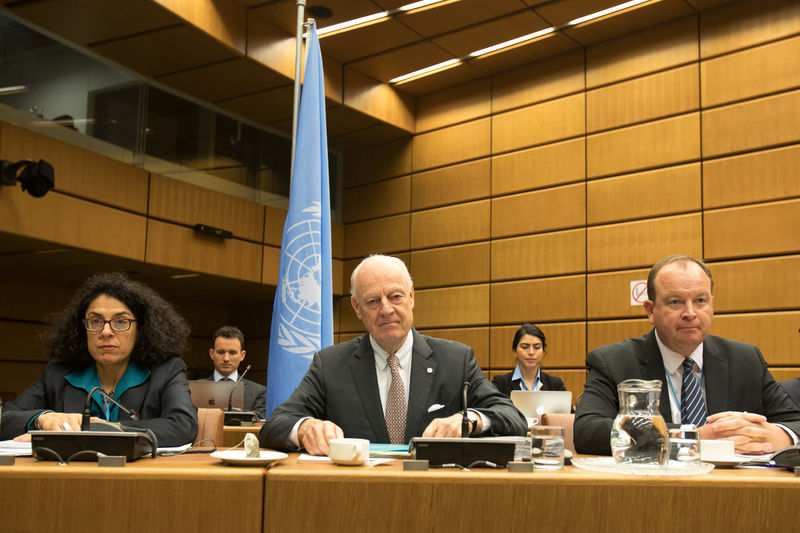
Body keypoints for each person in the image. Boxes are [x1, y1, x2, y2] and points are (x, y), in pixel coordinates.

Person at [259, 254, 527, 455]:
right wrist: (306, 428)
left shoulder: (456, 360)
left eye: (395, 296)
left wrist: (467, 421)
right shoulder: (329, 365)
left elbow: (512, 417)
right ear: (356, 307)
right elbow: (275, 425)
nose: (386, 309)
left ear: (411, 296)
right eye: (373, 301)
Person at [574, 254, 800, 456]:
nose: (690, 313)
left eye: (700, 301)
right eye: (676, 302)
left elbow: (794, 423)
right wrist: (690, 437)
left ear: (712, 304)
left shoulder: (746, 359)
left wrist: (774, 435)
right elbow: (588, 432)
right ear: (651, 311)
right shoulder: (614, 361)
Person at [0, 273, 197, 446]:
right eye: (95, 321)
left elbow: (183, 426)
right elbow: (5, 418)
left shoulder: (166, 370)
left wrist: (106, 430)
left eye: (121, 322)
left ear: (141, 329)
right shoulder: (57, 374)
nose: (106, 332)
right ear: (82, 328)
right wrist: (42, 419)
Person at [206, 325, 266, 418]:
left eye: (232, 353)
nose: (226, 358)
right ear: (212, 354)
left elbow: (258, 425)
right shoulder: (192, 390)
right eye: (221, 352)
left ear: (242, 355)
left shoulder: (258, 392)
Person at [492, 323, 566, 395]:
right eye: (524, 347)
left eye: (537, 347)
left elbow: (567, 408)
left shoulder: (555, 384)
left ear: (543, 352)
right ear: (515, 350)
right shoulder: (500, 383)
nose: (531, 352)